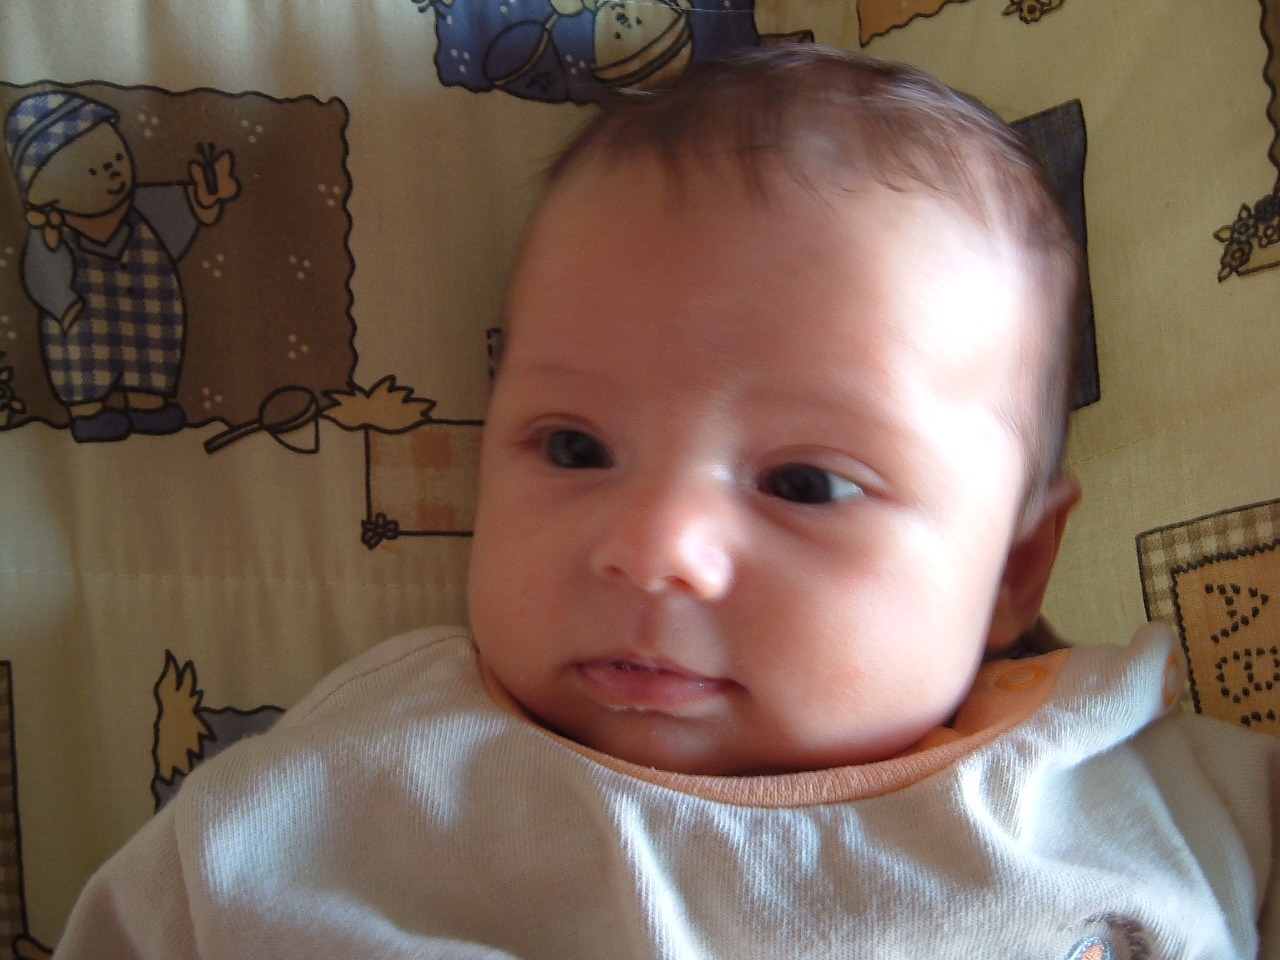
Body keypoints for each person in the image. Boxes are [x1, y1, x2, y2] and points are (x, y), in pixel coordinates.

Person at [52, 47, 1280, 959]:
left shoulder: (1139, 795)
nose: (651, 549)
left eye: (804, 484)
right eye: (574, 446)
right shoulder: (364, 779)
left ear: (1012, 569)